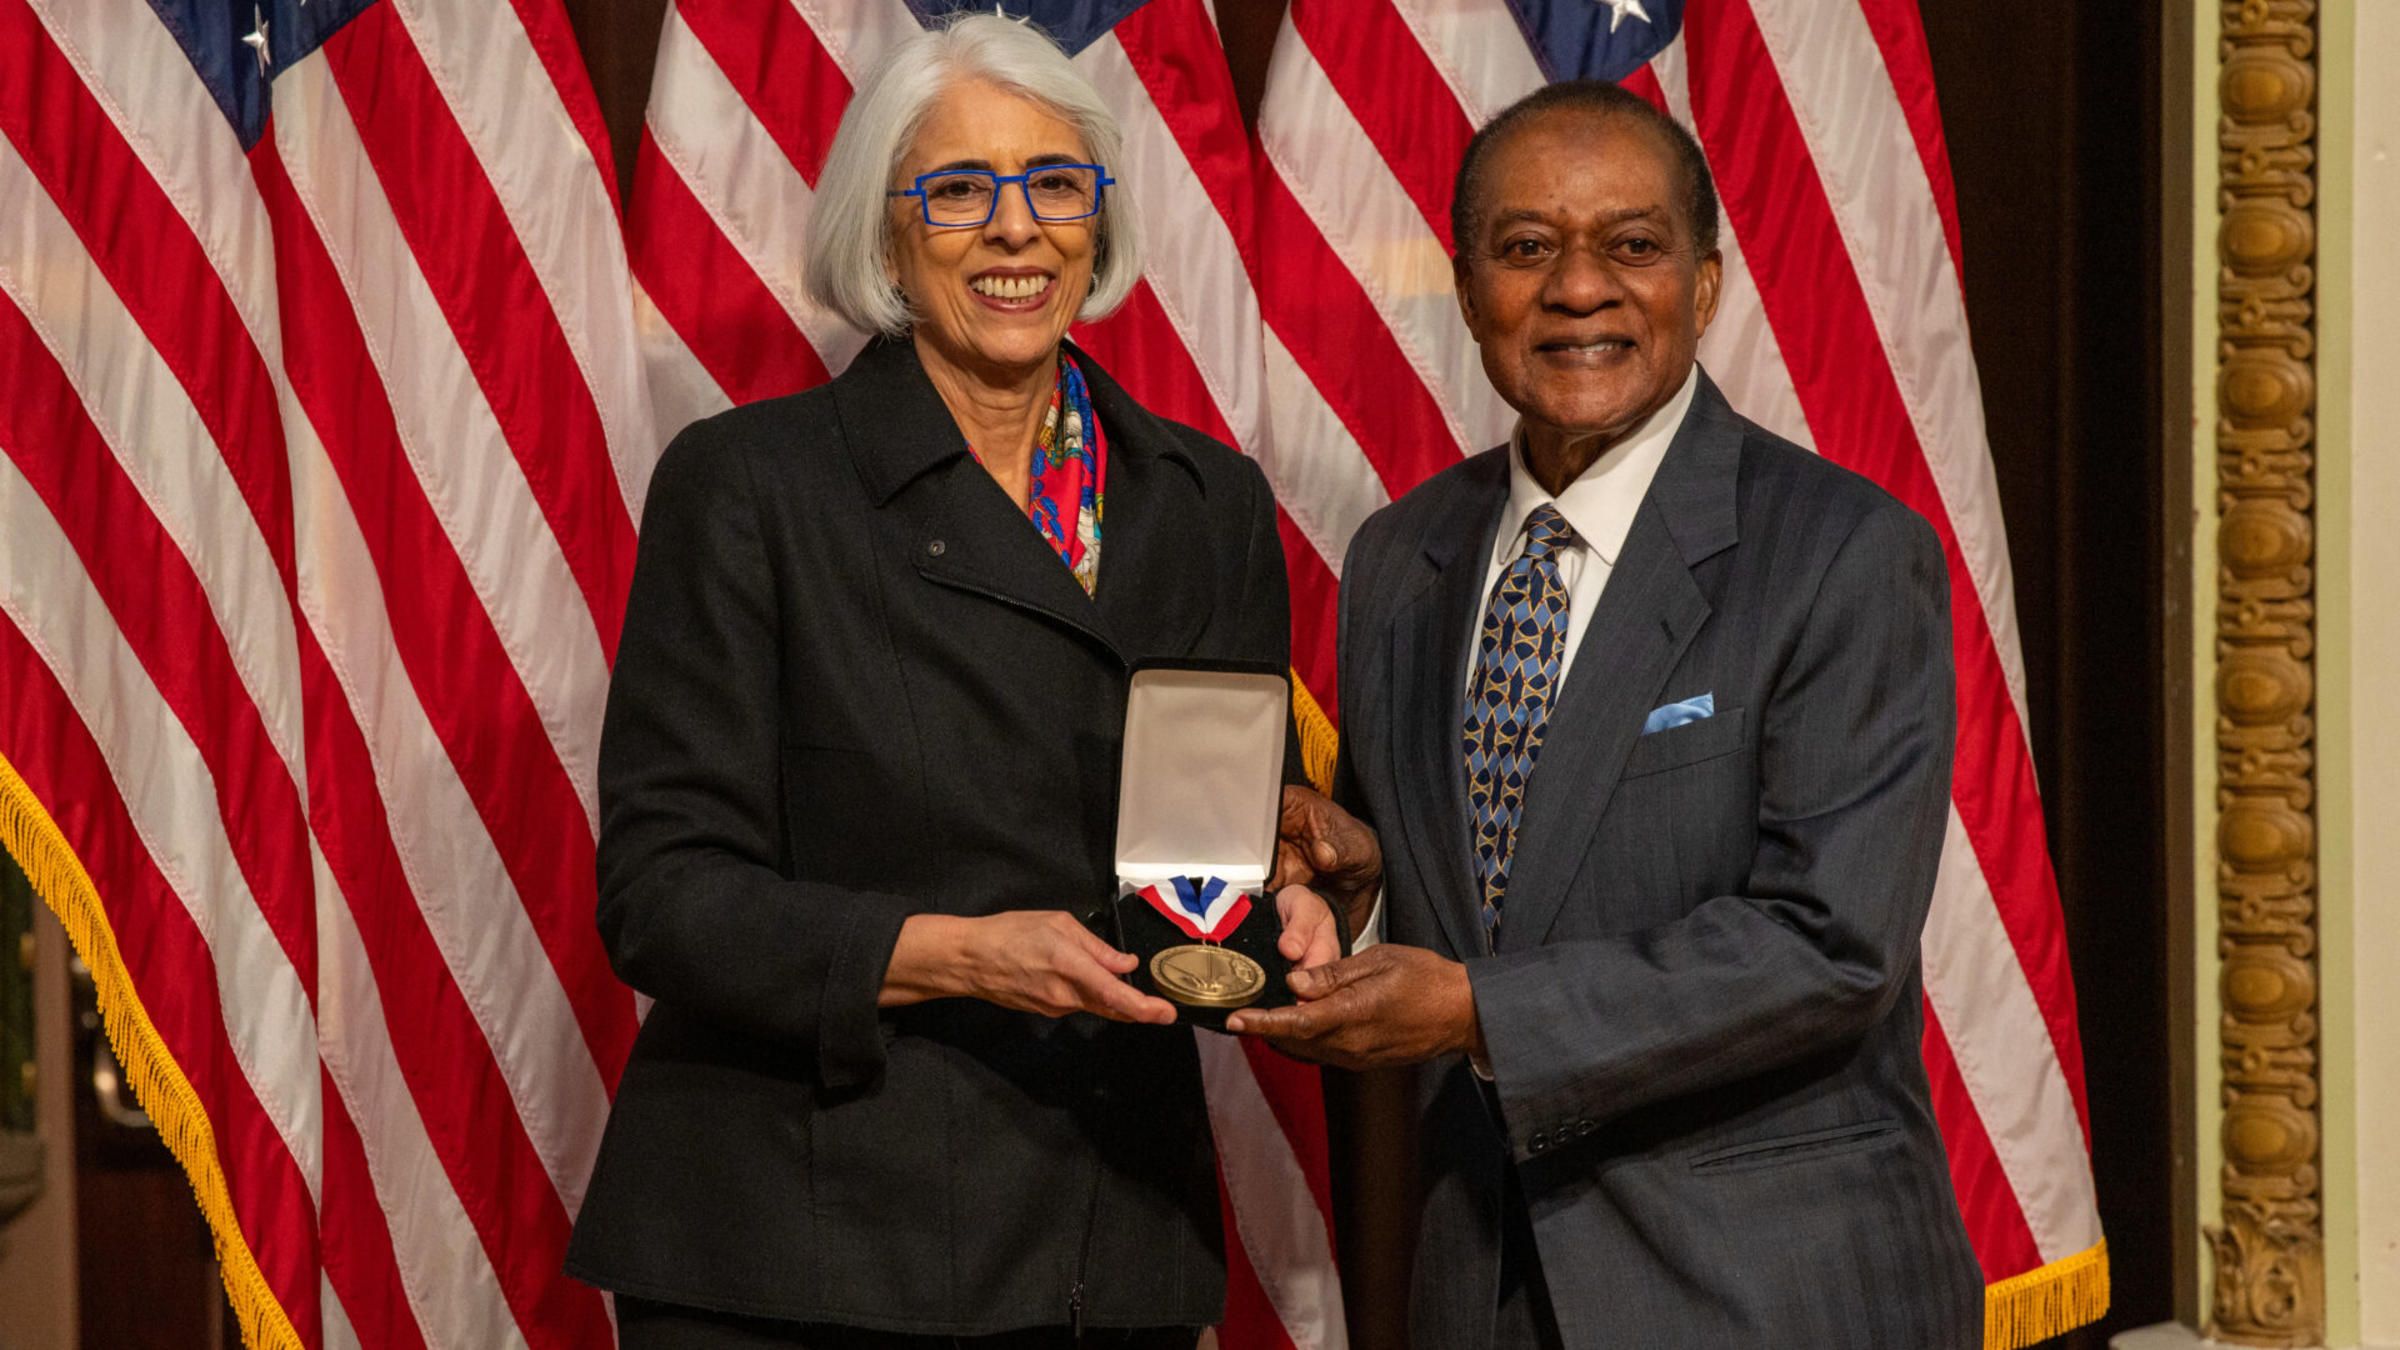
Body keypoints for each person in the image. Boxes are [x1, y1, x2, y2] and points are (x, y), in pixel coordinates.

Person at [564, 16, 1337, 1348]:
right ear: (885, 232)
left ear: (1099, 223)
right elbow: (665, 897)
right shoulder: (752, 489)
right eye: (961, 191)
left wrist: (1293, 909)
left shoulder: (1208, 501)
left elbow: (1219, 824)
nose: (1014, 229)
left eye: (1052, 184)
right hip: (804, 1247)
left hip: (1107, 1238)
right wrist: (964, 954)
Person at [1235, 81, 1985, 1348]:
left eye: (1632, 245)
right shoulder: (1400, 560)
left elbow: (1829, 944)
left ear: (1704, 284)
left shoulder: (1843, 553)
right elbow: (1476, 898)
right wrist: (1357, 894)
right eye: (1526, 248)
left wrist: (1477, 1014)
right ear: (1470, 291)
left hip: (1762, 1293)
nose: (1579, 287)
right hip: (1480, 1288)